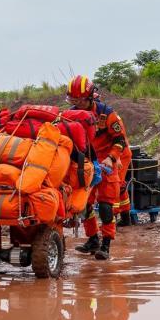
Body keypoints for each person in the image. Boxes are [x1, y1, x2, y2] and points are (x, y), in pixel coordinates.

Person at [68, 75, 132, 261]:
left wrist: (112, 158)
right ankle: (93, 239)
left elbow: (120, 140)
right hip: (87, 163)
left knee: (105, 205)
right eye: (73, 100)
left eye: (79, 100)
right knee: (84, 204)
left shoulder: (107, 114)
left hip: (107, 162)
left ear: (89, 97)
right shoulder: (72, 115)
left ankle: (106, 244)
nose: (76, 104)